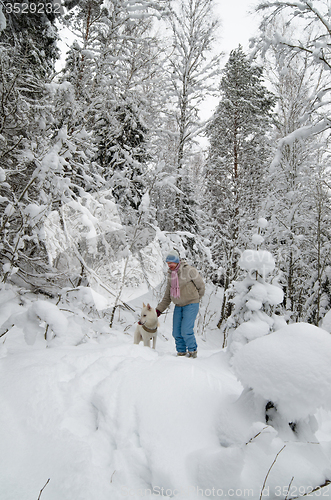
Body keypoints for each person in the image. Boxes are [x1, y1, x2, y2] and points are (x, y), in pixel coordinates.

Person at [156, 249, 205, 358]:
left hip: (191, 304)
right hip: (178, 305)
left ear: (177, 261)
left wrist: (195, 298)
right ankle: (181, 353)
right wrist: (158, 310)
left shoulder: (189, 271)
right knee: (176, 332)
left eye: (171, 263)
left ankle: (192, 352)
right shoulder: (171, 275)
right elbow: (167, 296)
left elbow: (201, 286)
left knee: (186, 330)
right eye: (168, 263)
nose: (169, 265)